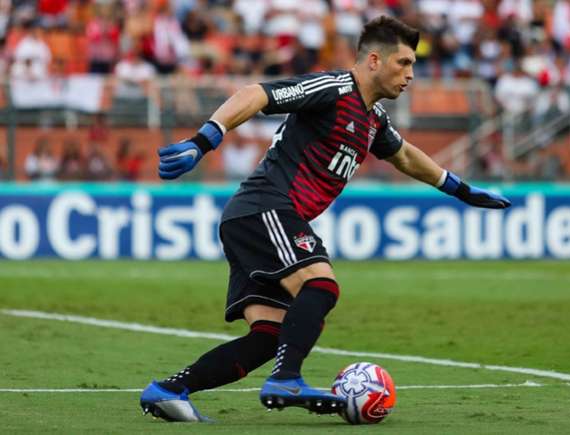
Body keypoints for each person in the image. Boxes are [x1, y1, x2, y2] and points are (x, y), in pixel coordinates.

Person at [140, 16, 511, 423]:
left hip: (256, 218)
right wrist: (207, 136)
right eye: (403, 63)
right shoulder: (334, 89)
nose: (410, 75)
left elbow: (404, 155)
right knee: (320, 284)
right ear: (374, 60)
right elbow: (257, 93)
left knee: (269, 337)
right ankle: (287, 378)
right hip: (265, 207)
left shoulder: (374, 119)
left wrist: (459, 188)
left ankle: (169, 391)